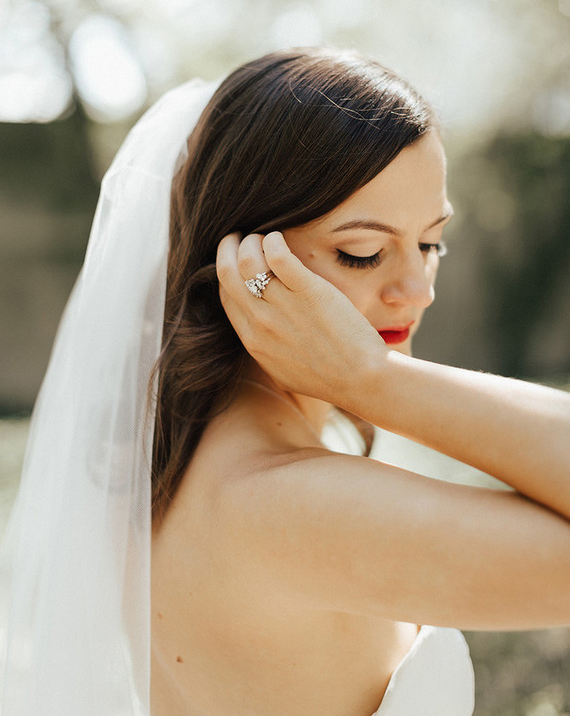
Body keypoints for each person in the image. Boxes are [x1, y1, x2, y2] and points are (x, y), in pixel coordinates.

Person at [0, 48, 568, 716]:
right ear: (245, 260)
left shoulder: (170, 469)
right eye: (362, 251)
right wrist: (374, 378)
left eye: (431, 243)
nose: (416, 288)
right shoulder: (290, 505)